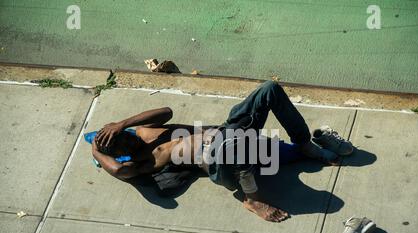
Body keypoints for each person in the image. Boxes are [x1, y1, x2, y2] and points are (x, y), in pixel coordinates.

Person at [92, 81, 353, 222]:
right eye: (120, 145)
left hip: (227, 133)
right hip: (220, 164)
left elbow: (166, 111)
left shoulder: (141, 131)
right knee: (233, 144)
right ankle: (252, 199)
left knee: (268, 90)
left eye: (121, 136)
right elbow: (118, 170)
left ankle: (304, 144)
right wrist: (96, 150)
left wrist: (123, 123)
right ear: (119, 153)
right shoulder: (140, 161)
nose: (126, 142)